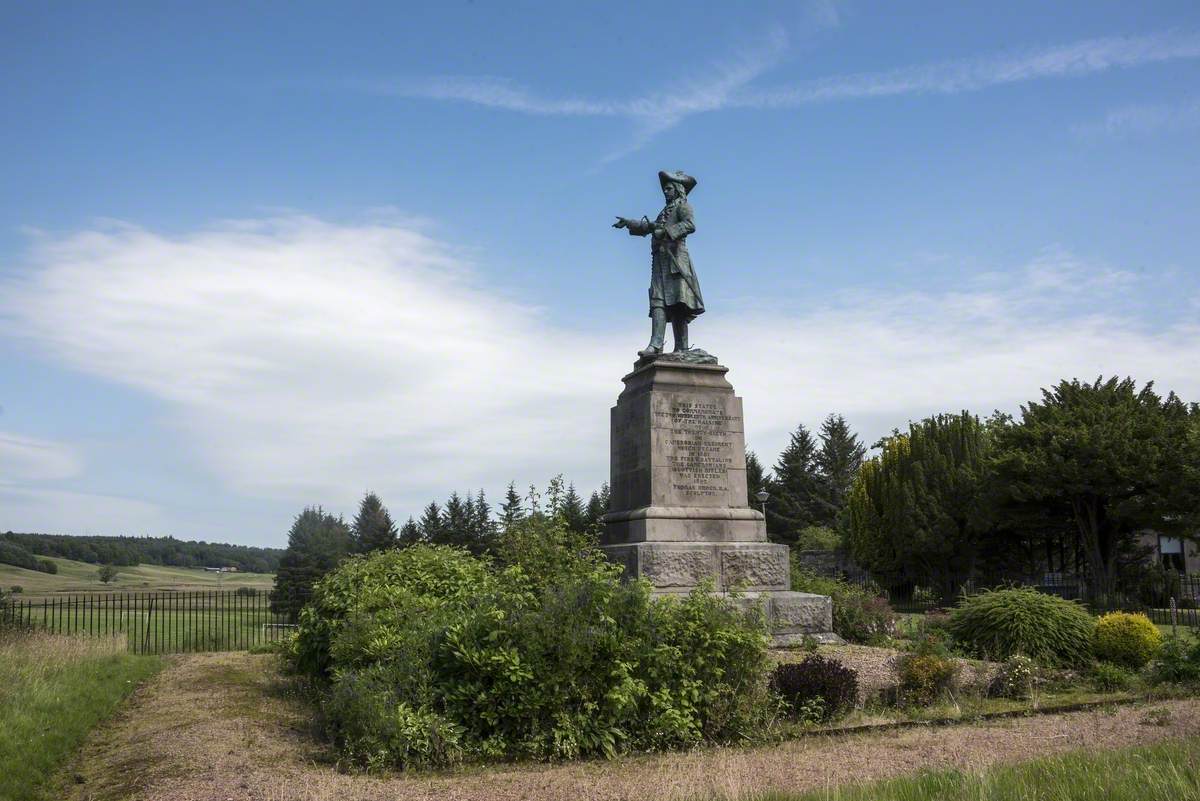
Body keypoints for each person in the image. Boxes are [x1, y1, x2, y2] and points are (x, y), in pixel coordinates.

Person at [613, 170, 705, 357]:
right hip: (660, 261)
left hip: (676, 260)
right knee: (658, 300)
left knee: (679, 303)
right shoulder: (665, 211)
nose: (666, 192)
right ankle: (655, 345)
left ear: (678, 190)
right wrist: (631, 223)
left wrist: (667, 232)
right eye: (665, 189)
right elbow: (652, 226)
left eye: (669, 188)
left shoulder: (683, 207)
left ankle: (682, 348)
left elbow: (689, 225)